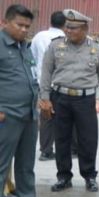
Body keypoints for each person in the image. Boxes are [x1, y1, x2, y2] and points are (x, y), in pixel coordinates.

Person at [39, 8, 99, 193]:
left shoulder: (97, 48)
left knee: (88, 139)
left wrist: (86, 86)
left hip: (85, 100)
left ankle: (89, 176)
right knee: (62, 138)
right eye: (67, 27)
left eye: (73, 28)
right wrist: (45, 98)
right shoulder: (55, 46)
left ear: (85, 29)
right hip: (60, 98)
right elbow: (46, 73)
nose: (68, 31)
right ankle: (63, 177)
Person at [0, 4, 56, 197]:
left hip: (29, 114)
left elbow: (32, 76)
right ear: (5, 23)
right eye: (19, 25)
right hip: (6, 115)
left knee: (25, 164)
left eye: (27, 26)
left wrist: (40, 101)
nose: (24, 30)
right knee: (2, 165)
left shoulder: (24, 47)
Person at [30, 11, 65, 160]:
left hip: (42, 82)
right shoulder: (67, 38)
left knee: (46, 116)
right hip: (62, 84)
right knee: (67, 115)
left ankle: (46, 150)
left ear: (51, 21)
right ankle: (71, 149)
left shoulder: (39, 36)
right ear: (65, 24)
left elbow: (32, 58)